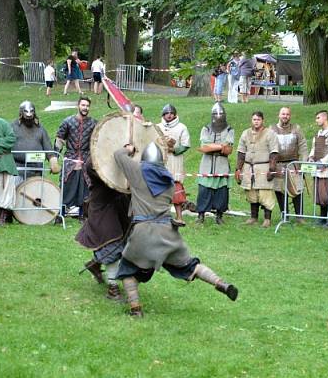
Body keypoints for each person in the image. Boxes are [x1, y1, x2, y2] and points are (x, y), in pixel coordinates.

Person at [114, 142, 238, 318]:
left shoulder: (137, 172)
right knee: (190, 266)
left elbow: (118, 156)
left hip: (144, 233)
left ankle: (136, 309)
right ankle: (220, 283)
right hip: (168, 233)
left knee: (127, 269)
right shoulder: (168, 179)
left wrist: (128, 149)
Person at [75, 160, 131, 300]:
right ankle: (113, 288)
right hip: (103, 208)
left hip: (122, 206)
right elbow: (97, 172)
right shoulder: (93, 161)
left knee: (127, 242)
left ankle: (95, 264)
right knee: (111, 243)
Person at [55, 96, 97, 218]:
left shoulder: (93, 123)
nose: (85, 108)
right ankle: (60, 214)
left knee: (85, 188)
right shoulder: (67, 121)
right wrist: (55, 158)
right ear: (78, 106)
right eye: (83, 105)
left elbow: (97, 141)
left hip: (86, 159)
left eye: (87, 106)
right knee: (66, 187)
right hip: (70, 158)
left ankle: (82, 214)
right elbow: (59, 140)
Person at [235, 111, 279, 228]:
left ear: (262, 120)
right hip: (249, 168)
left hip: (264, 167)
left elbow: (274, 153)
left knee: (265, 194)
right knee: (251, 193)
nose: (256, 122)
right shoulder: (245, 133)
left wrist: (272, 169)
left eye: (258, 120)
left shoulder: (270, 133)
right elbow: (241, 152)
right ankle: (253, 217)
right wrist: (238, 169)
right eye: (254, 119)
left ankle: (267, 219)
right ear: (251, 120)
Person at [196, 103, 234, 225]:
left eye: (221, 113)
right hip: (206, 165)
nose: (218, 116)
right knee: (204, 191)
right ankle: (201, 215)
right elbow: (204, 148)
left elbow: (229, 150)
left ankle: (219, 215)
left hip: (221, 164)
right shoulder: (206, 128)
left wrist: (213, 147)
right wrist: (221, 146)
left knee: (221, 191)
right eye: (216, 114)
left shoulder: (229, 129)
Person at [270, 107, 308, 221]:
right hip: (278, 165)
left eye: (287, 114)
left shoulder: (296, 129)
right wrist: (271, 165)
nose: (285, 116)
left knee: (297, 190)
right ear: (279, 115)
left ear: (290, 116)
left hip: (294, 165)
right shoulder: (271, 130)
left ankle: (299, 216)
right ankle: (284, 215)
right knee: (280, 191)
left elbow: (303, 146)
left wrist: (304, 164)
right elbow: (268, 147)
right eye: (283, 114)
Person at [157, 104, 190, 226]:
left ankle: (179, 217)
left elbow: (185, 145)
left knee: (176, 189)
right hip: (162, 161)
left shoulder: (182, 127)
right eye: (167, 113)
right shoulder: (158, 127)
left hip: (175, 161)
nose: (169, 115)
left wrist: (174, 150)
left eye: (171, 113)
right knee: (160, 189)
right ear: (163, 114)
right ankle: (161, 216)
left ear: (175, 114)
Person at [11, 101, 60, 181]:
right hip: (18, 169)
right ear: (21, 114)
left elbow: (48, 149)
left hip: (37, 169)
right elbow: (6, 146)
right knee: (16, 192)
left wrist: (53, 161)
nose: (29, 118)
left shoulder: (40, 129)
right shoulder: (13, 128)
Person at [308, 110, 328, 227]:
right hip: (317, 169)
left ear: (325, 118)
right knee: (321, 194)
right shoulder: (319, 133)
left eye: (318, 118)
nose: (316, 120)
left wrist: (323, 162)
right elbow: (314, 147)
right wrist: (311, 158)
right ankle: (322, 218)